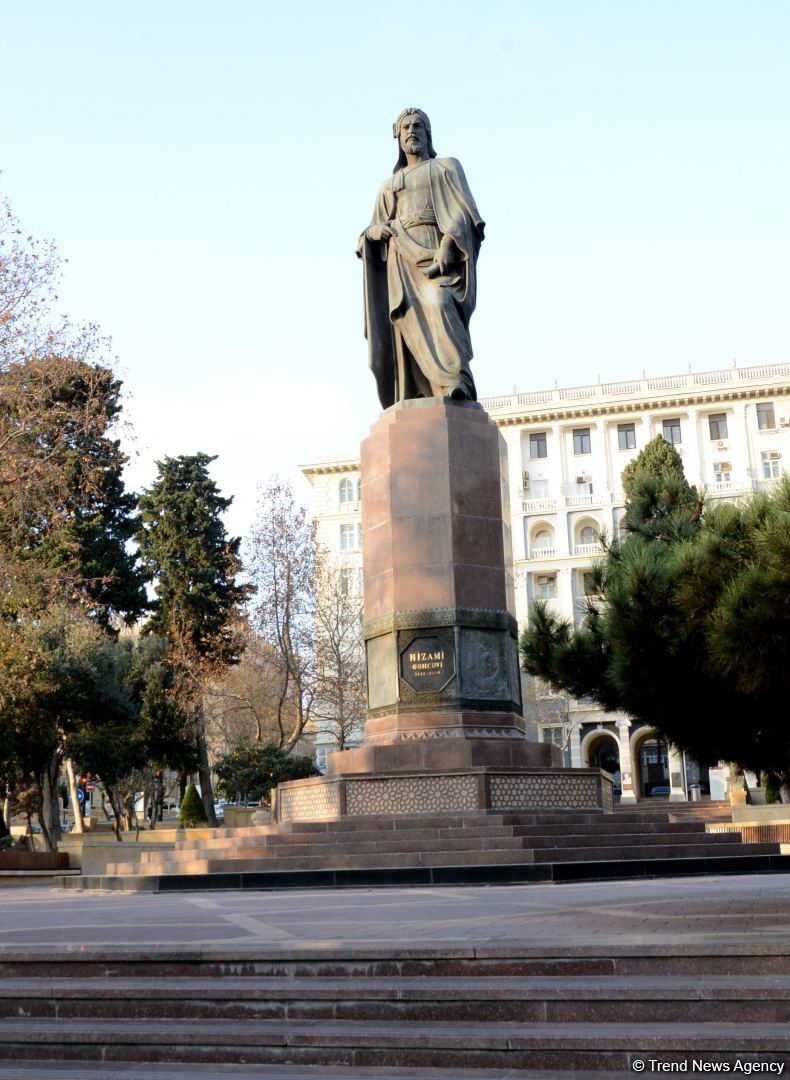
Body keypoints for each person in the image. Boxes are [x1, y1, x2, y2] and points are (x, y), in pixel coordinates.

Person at [358, 108, 485, 408]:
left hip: (435, 253)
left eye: (418, 126)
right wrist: (373, 234)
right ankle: (417, 391)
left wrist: (447, 247)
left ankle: (456, 382)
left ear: (428, 134)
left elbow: (464, 214)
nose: (411, 132)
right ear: (398, 139)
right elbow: (370, 229)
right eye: (405, 129)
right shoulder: (389, 185)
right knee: (406, 322)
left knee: (440, 303)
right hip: (400, 261)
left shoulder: (445, 168)